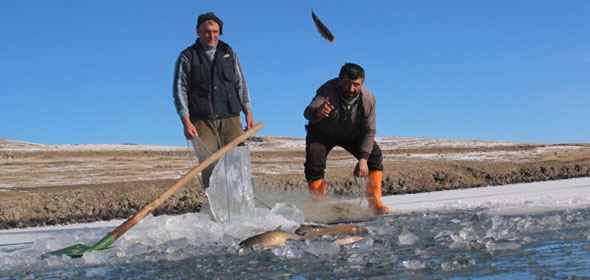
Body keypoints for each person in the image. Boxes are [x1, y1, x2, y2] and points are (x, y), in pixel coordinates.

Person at [173, 12, 254, 188]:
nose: (212, 35)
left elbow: (241, 83)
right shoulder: (187, 56)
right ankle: (214, 211)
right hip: (201, 120)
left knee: (238, 162)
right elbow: (180, 90)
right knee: (209, 164)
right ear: (198, 32)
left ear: (220, 32)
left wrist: (248, 111)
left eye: (215, 31)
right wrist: (186, 121)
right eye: (207, 31)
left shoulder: (229, 52)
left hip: (230, 118)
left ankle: (244, 206)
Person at [303, 63, 389, 214]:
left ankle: (376, 204)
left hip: (351, 133)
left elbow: (369, 130)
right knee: (314, 161)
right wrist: (318, 112)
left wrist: (363, 160)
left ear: (361, 83)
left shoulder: (368, 99)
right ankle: (320, 208)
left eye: (356, 85)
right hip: (321, 132)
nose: (351, 89)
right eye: (347, 83)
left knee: (374, 156)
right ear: (339, 80)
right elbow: (308, 112)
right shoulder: (327, 90)